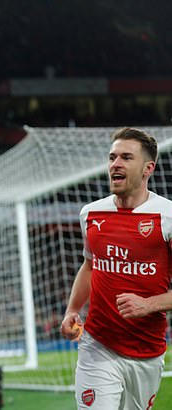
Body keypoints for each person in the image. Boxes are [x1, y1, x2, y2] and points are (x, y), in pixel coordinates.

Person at [60, 127, 172, 409]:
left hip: (147, 351)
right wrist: (72, 310)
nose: (115, 164)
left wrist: (148, 304)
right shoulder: (91, 213)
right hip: (97, 344)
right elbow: (89, 266)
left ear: (148, 168)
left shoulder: (167, 217)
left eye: (126, 157)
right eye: (112, 157)